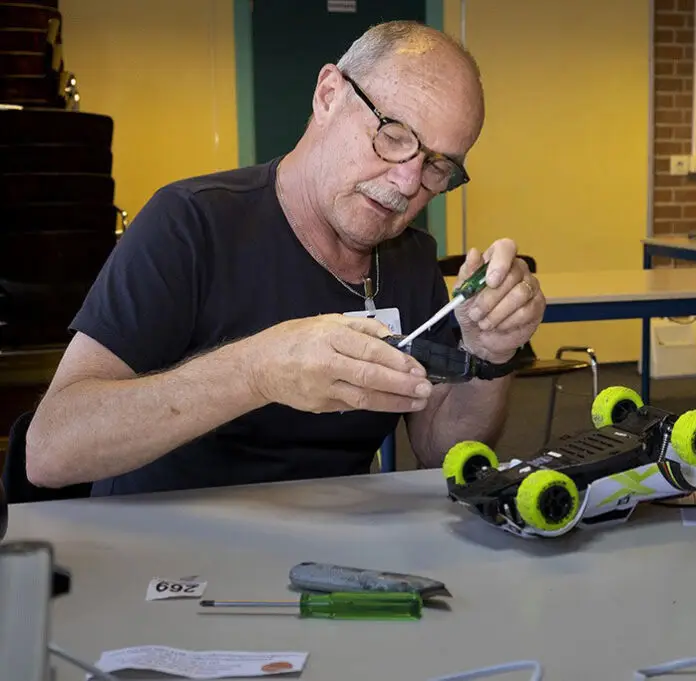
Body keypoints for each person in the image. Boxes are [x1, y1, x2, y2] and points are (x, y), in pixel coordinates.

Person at [24, 21, 546, 496]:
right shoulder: (190, 224)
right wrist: (257, 372)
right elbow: (50, 450)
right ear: (327, 96)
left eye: (438, 166)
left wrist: (489, 354)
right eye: (393, 136)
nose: (408, 182)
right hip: (168, 560)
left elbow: (437, 448)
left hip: (328, 563)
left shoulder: (411, 260)